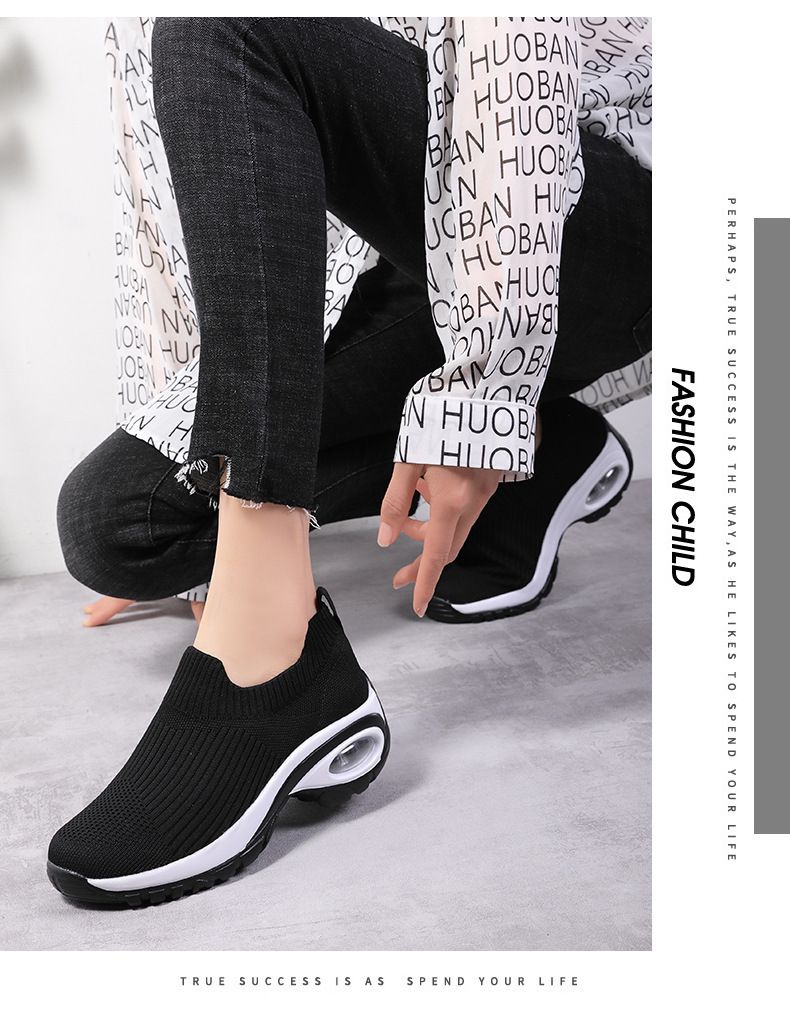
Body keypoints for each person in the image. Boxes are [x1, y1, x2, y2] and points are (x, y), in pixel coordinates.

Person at [47, 17, 652, 907]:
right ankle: (551, 450)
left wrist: (485, 394)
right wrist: (209, 465)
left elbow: (515, 67)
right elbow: (169, 223)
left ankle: (272, 662)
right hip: (396, 269)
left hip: (580, 213)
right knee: (118, 523)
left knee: (222, 24)